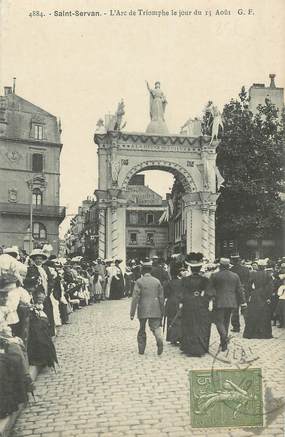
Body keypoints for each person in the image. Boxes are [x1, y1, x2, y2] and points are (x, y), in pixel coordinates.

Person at [180, 253, 212, 357]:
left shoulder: (185, 280)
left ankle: (188, 348)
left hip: (188, 305)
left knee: (188, 325)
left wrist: (184, 301)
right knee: (201, 326)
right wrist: (203, 298)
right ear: (199, 268)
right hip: (201, 305)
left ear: (190, 268)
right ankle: (201, 348)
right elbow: (210, 293)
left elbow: (181, 294)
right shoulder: (205, 280)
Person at [210, 258, 246, 351]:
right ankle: (224, 345)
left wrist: (210, 299)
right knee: (226, 322)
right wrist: (243, 302)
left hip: (219, 302)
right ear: (228, 265)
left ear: (220, 265)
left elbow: (210, 289)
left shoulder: (215, 275)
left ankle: (224, 337)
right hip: (231, 302)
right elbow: (240, 290)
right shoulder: (235, 276)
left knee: (219, 322)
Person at [130, 261, 164, 355]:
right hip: (155, 308)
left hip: (143, 308)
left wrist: (132, 313)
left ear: (142, 271)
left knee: (142, 328)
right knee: (156, 327)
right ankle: (159, 338)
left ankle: (141, 349)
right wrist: (162, 310)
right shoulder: (157, 281)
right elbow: (161, 297)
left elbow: (135, 298)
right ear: (151, 270)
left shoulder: (139, 281)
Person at [243, 259, 273, 339]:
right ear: (265, 266)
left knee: (253, 313)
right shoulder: (268, 275)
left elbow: (248, 285)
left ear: (259, 266)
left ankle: (252, 333)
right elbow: (270, 287)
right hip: (264, 296)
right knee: (264, 314)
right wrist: (268, 297)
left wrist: (250, 293)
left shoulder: (254, 274)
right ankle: (264, 333)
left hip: (255, 295)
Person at [163, 265, 186, 345]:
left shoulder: (168, 283)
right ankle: (179, 337)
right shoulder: (182, 282)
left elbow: (166, 294)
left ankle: (171, 338)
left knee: (170, 319)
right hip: (179, 301)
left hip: (170, 302)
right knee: (178, 319)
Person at [230, 255, 250, 333]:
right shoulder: (246, 269)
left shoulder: (231, 269)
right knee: (245, 309)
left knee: (235, 310)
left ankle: (236, 327)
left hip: (234, 291)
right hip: (244, 290)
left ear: (233, 261)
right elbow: (249, 280)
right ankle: (248, 327)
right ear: (239, 260)